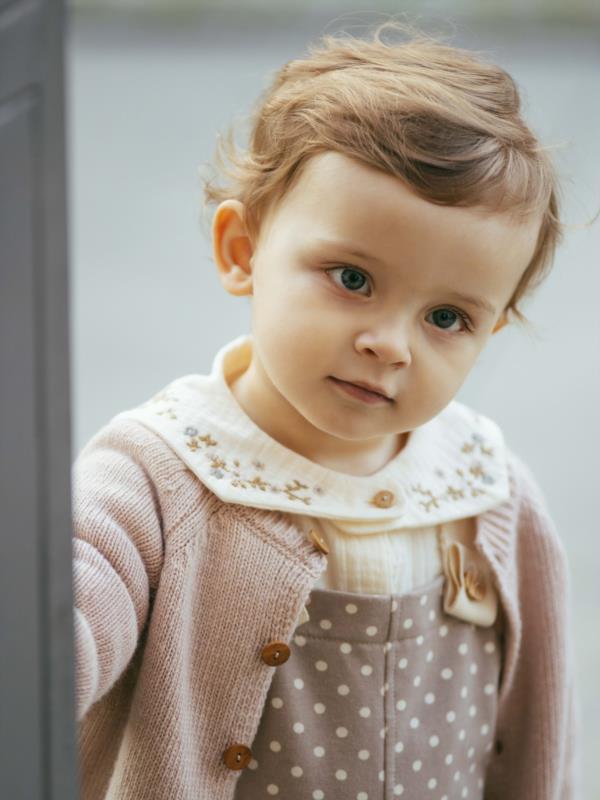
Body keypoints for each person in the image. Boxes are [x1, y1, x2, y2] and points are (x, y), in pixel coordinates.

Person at [72, 20, 581, 800]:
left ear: (492, 330)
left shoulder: (488, 493)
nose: (390, 345)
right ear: (242, 250)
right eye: (352, 278)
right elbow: (63, 614)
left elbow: (539, 735)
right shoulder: (157, 478)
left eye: (447, 318)